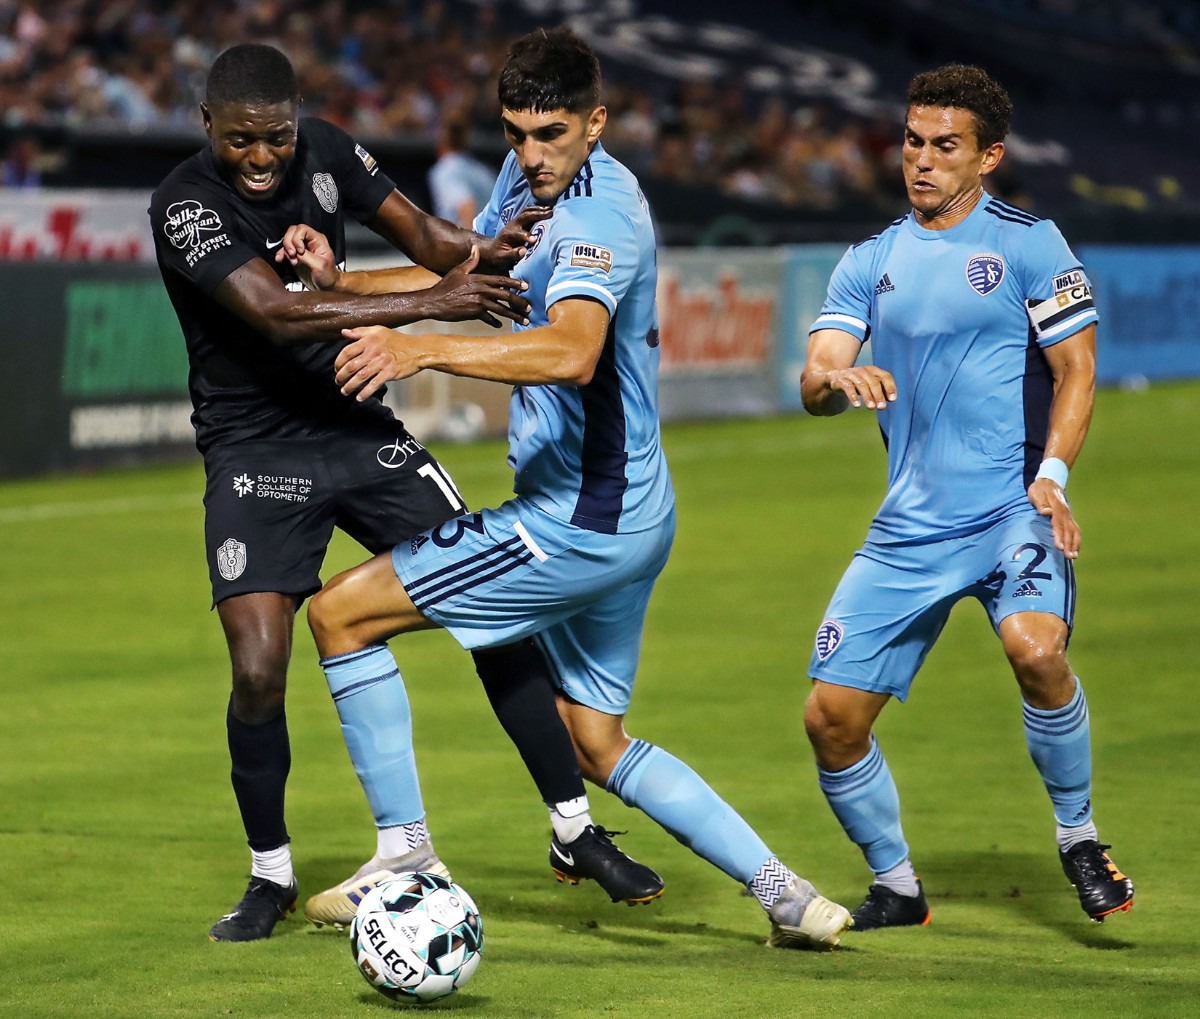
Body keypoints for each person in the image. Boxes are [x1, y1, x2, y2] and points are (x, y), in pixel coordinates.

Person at [302, 26, 852, 950]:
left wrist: (416, 346)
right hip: (632, 507)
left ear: (597, 122)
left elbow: (571, 349)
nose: (529, 152)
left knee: (340, 616)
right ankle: (789, 893)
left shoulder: (601, 212)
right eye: (515, 132)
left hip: (581, 518)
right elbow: (472, 274)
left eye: (550, 133)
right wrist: (345, 283)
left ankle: (403, 860)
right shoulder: (531, 185)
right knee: (597, 743)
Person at [149, 42, 657, 943]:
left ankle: (575, 828)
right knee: (260, 665)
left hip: (356, 426)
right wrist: (429, 307)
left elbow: (432, 243)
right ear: (207, 129)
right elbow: (271, 307)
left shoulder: (333, 153)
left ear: (298, 120)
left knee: (489, 605)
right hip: (252, 448)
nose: (262, 159)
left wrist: (487, 255)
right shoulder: (185, 204)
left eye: (275, 138)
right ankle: (270, 871)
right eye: (240, 143)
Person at [800, 63, 1134, 930]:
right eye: (912, 142)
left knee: (1035, 649)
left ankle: (1079, 836)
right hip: (910, 527)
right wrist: (839, 375)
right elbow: (812, 374)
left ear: (987, 156)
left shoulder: (1031, 242)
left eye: (944, 146)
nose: (921, 161)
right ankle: (898, 886)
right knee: (830, 718)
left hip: (1011, 509)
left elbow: (1078, 370)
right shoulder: (868, 260)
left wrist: (1051, 479)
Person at [427, 115, 497, 227]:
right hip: (496, 239)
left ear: (441, 140)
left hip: (473, 240)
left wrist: (471, 243)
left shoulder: (444, 170)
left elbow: (467, 206)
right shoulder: (483, 171)